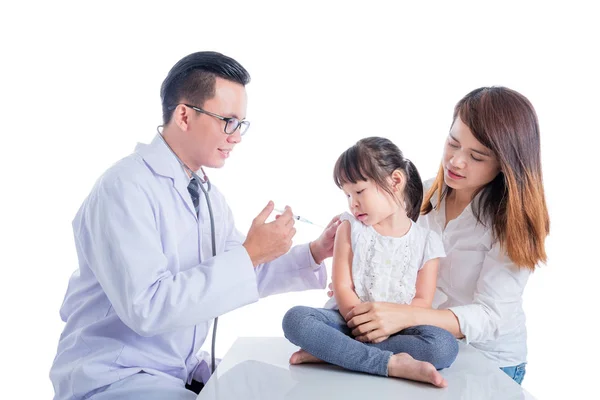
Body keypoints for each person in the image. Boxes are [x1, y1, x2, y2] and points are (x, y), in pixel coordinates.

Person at [49, 51, 340, 400]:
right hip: (115, 375)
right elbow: (148, 308)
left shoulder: (207, 195)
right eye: (227, 121)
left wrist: (314, 252)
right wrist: (249, 255)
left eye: (241, 124)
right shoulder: (124, 188)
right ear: (184, 115)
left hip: (175, 369)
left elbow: (241, 273)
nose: (236, 136)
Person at [318, 86, 549, 385]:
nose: (456, 162)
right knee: (308, 321)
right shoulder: (419, 197)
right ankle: (343, 351)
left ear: (505, 164)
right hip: (411, 342)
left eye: (476, 156)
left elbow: (491, 316)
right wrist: (357, 286)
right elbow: (382, 252)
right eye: (453, 143)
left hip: (489, 361)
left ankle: (340, 352)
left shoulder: (512, 222)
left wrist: (404, 316)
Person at [282, 137, 459, 388]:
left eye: (359, 191)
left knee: (444, 346)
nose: (353, 203)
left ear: (395, 181)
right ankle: (390, 364)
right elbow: (343, 287)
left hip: (398, 328)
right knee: (296, 319)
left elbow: (422, 302)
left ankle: (334, 353)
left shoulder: (427, 242)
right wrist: (362, 326)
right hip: (347, 322)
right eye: (347, 195)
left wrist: (388, 324)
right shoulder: (350, 227)